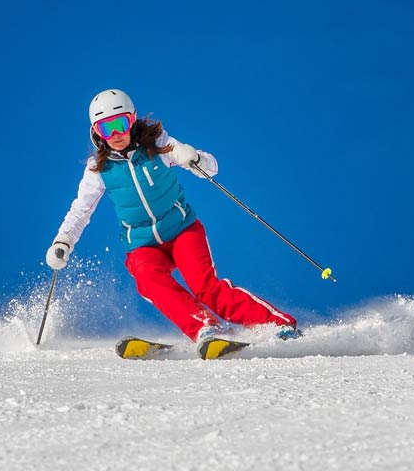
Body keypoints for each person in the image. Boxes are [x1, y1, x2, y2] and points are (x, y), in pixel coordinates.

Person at [46, 88, 299, 345]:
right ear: (96, 132)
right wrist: (63, 240)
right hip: (142, 243)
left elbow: (211, 167)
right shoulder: (98, 169)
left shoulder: (157, 145)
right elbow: (81, 210)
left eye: (120, 124)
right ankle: (207, 328)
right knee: (148, 280)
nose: (115, 135)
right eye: (105, 128)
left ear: (132, 120)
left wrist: (195, 158)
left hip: (182, 231)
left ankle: (278, 325)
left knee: (205, 287)